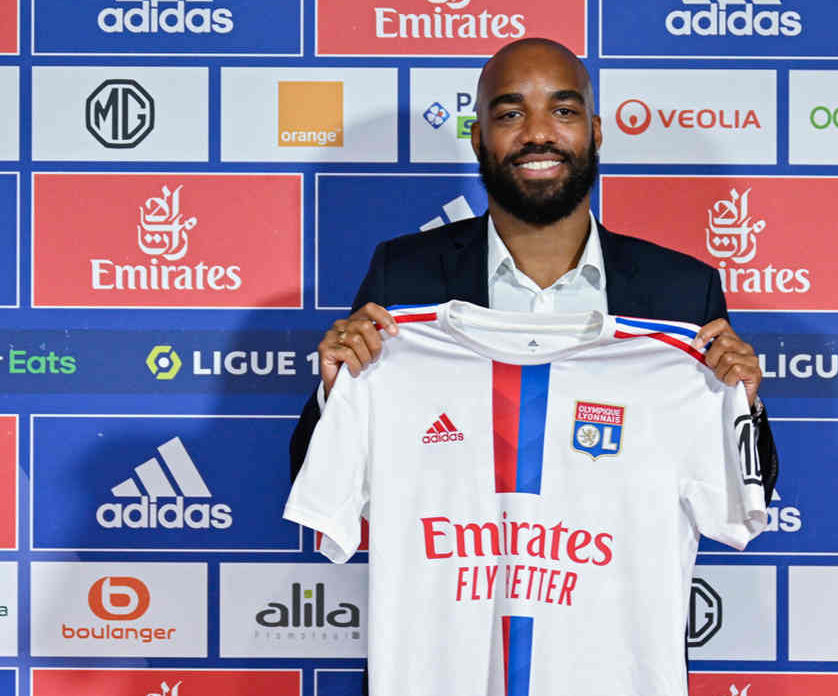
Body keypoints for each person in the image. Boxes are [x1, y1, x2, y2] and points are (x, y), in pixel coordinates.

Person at [289, 37, 776, 498]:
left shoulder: (682, 291)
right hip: (460, 582)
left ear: (596, 131)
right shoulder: (403, 275)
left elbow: (743, 494)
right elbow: (318, 482)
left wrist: (742, 406)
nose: (539, 134)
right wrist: (337, 392)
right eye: (511, 114)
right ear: (479, 139)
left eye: (563, 111)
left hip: (616, 584)